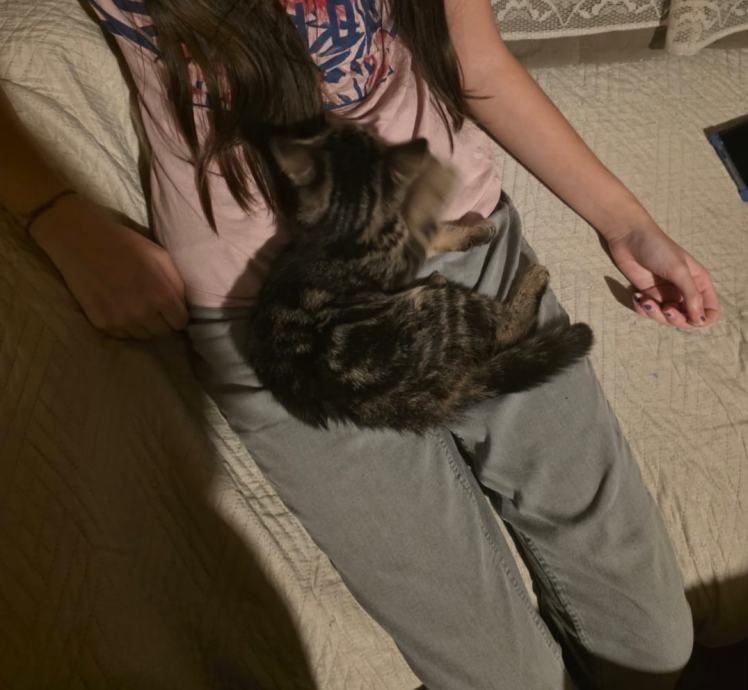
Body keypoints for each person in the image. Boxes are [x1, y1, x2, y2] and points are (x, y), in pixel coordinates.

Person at [1, 1, 721, 687]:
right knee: (508, 679)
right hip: (277, 330)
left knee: (656, 646)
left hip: (461, 244)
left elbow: (474, 61)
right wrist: (55, 214)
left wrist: (626, 224)